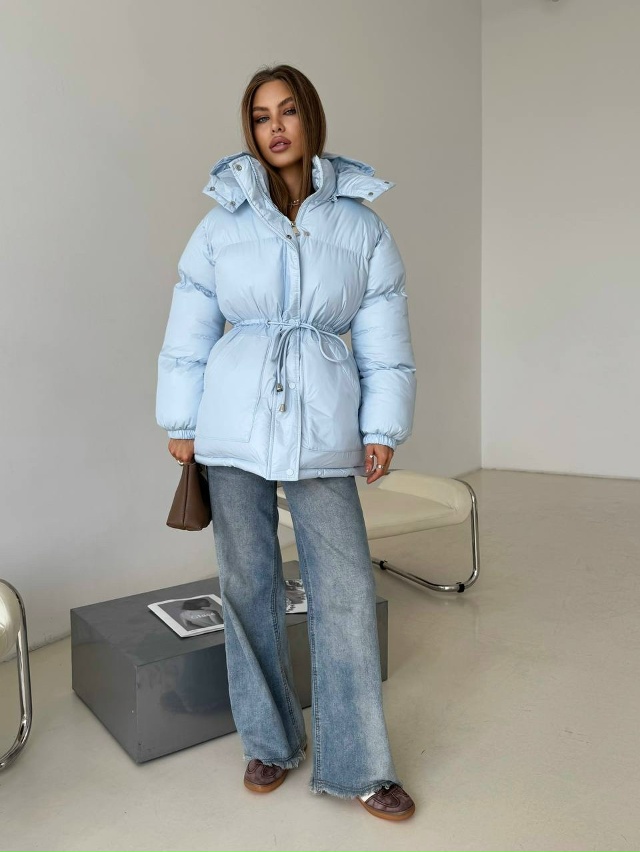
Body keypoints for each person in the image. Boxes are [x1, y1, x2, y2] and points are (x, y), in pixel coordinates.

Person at [156, 64, 418, 821]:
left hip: (323, 423)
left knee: (345, 591)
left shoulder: (361, 227)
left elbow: (384, 341)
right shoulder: (222, 222)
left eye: (288, 111)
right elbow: (190, 325)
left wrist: (382, 428)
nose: (275, 127)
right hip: (231, 425)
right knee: (248, 588)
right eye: (261, 116)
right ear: (251, 130)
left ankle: (359, 764)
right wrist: (182, 423)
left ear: (311, 119)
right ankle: (269, 743)